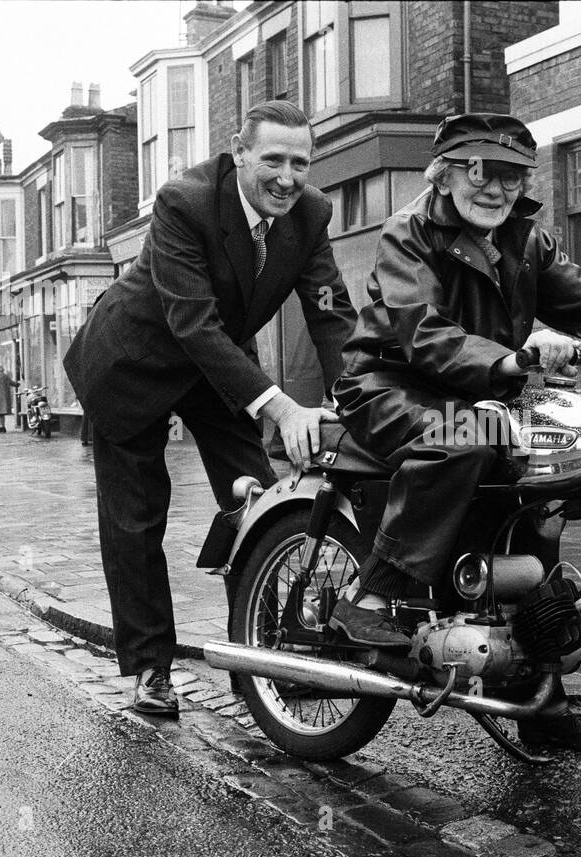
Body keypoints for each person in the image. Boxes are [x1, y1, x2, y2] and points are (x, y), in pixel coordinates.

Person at [332, 113, 581, 751]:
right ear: (445, 174)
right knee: (470, 434)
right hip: (390, 388)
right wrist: (513, 361)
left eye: (511, 176)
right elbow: (424, 335)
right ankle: (374, 597)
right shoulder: (410, 232)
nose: (496, 188)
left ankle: (540, 705)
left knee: (550, 478)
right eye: (480, 171)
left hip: (486, 388)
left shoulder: (527, 240)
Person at [63, 101, 357, 715]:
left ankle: (263, 657)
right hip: (134, 363)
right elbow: (192, 323)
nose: (287, 178)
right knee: (137, 520)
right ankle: (150, 668)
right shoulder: (184, 202)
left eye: (300, 163)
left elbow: (330, 311)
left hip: (219, 367)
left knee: (256, 501)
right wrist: (283, 409)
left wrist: (357, 399)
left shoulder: (311, 214)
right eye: (272, 160)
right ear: (239, 152)